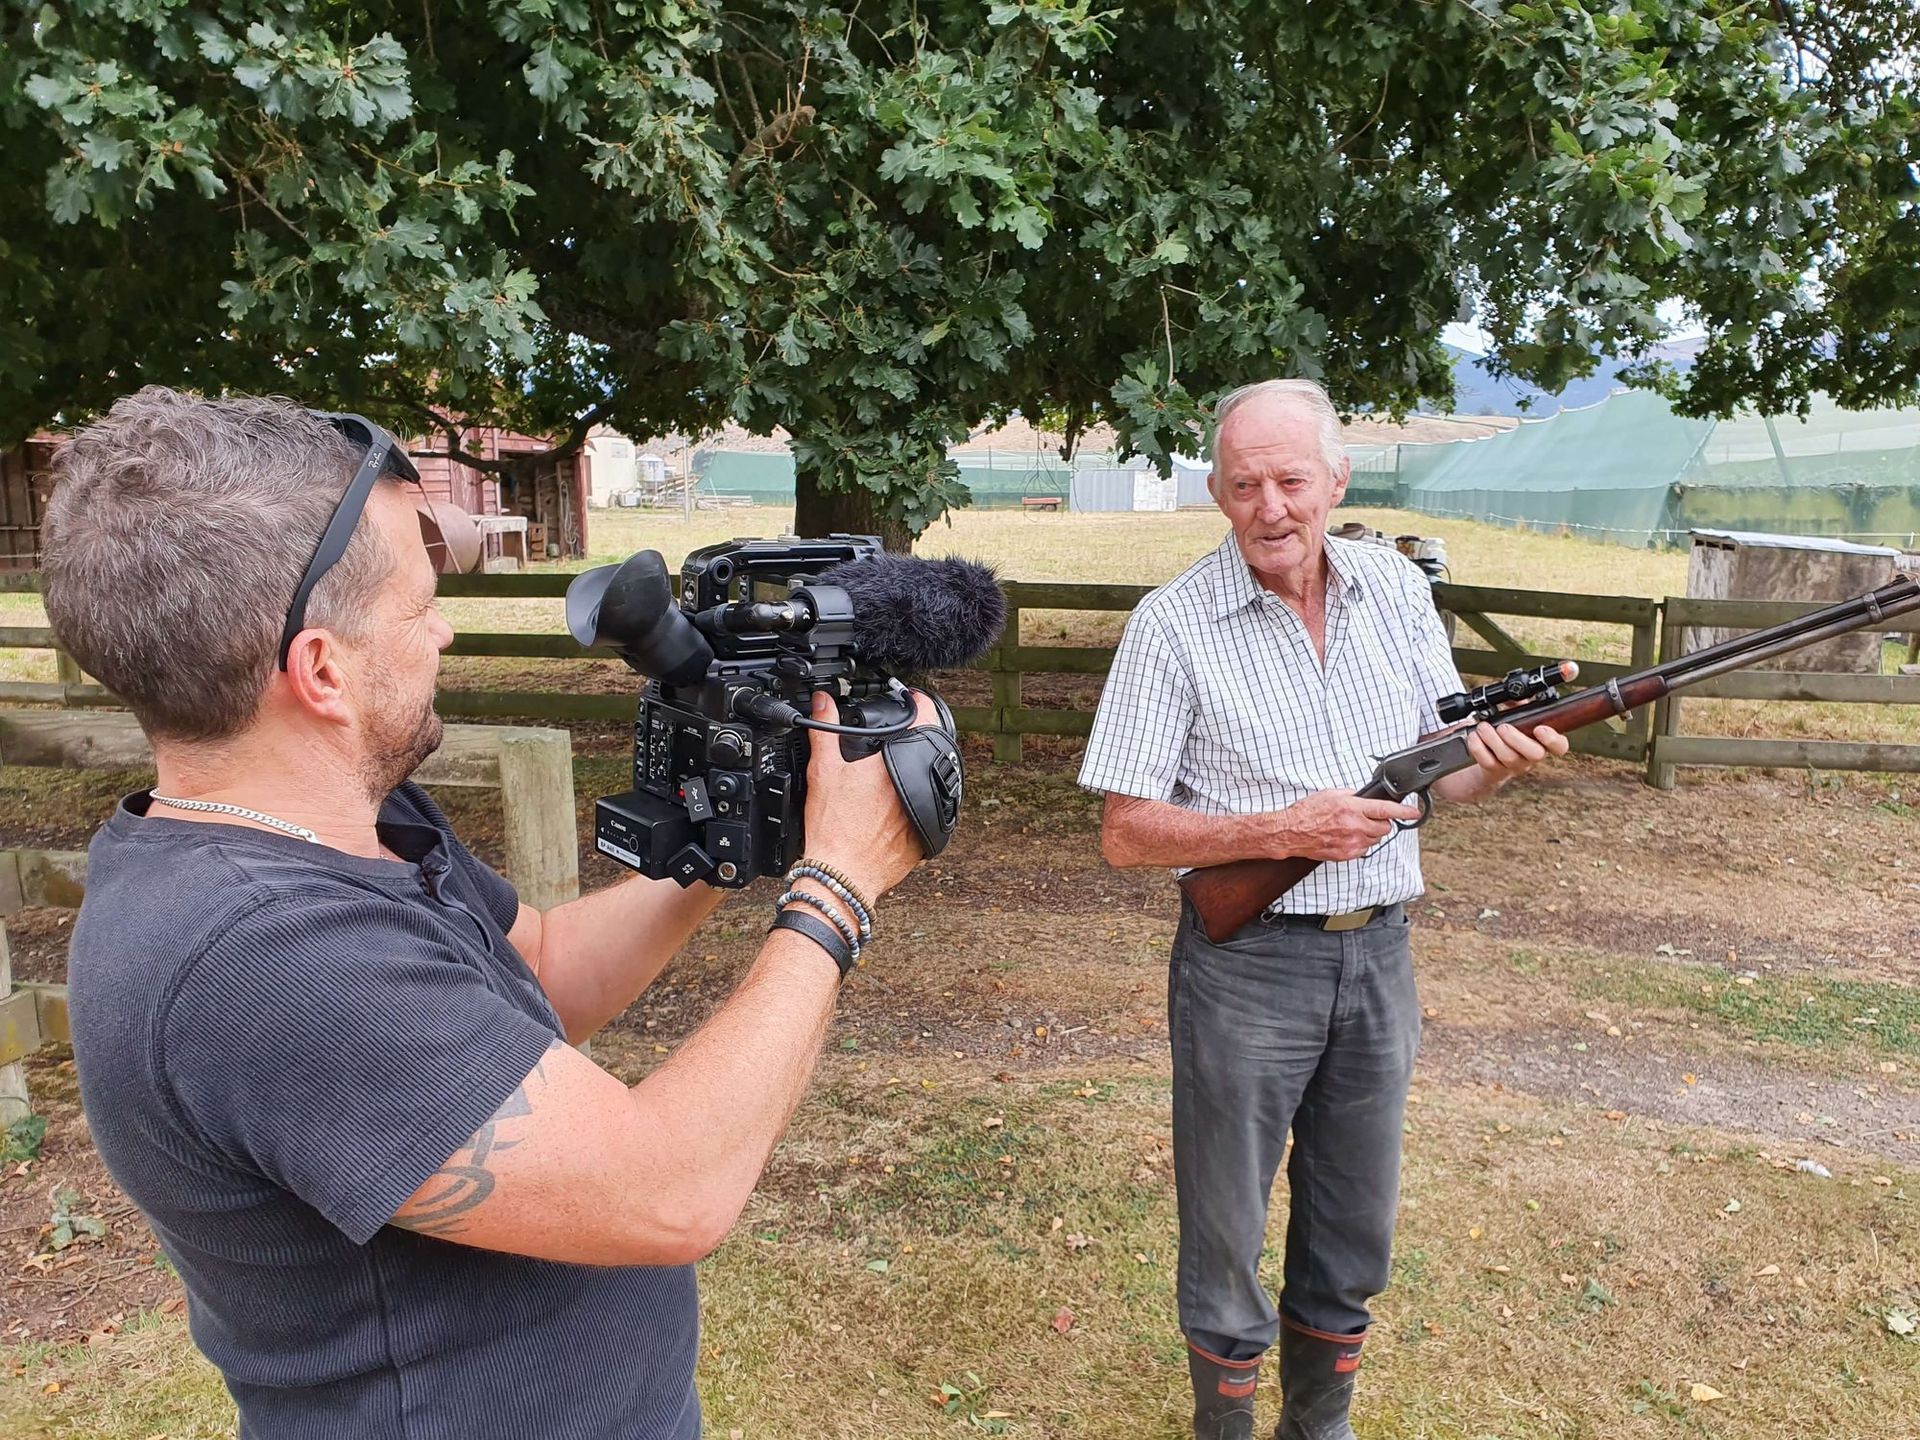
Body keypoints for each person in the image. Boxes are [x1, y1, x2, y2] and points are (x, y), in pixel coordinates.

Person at [42, 388, 934, 1440]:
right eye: (419, 609)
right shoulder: (263, 958)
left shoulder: (335, 825)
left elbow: (546, 971)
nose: (444, 631)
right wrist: (835, 886)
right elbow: (672, 1189)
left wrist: (742, 828)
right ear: (320, 672)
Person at [1078, 379, 1568, 1440]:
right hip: (1248, 963)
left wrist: (1504, 760)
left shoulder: (1393, 588)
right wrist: (1277, 832)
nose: (1271, 507)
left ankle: (1320, 1424)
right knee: (1225, 1229)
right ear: (1216, 492)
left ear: (1337, 479)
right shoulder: (1172, 626)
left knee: (1354, 1224)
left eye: (1291, 480)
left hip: (1381, 955)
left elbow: (1443, 777)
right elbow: (1126, 832)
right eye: (1245, 484)